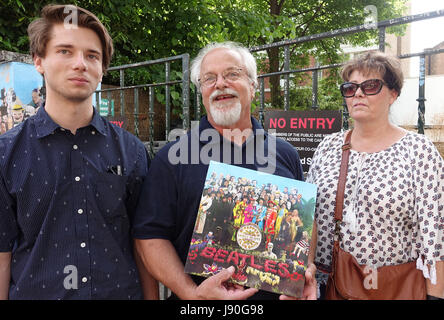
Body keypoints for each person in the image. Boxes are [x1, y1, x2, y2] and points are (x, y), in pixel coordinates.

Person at [133, 41, 316, 300]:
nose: (220, 83)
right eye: (209, 78)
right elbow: (149, 237)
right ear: (202, 92)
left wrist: (303, 274)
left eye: (232, 74)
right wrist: (192, 294)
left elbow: (306, 224)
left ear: (253, 87)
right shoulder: (172, 157)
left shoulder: (285, 153)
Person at [0, 4, 158, 300]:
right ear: (39, 60)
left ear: (102, 69)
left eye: (92, 55)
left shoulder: (132, 152)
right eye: (65, 51)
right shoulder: (6, 155)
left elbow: (144, 244)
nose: (80, 63)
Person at [306, 51, 444, 299]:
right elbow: (308, 217)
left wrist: (435, 296)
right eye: (350, 88)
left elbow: (435, 237)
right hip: (331, 286)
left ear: (393, 94)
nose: (358, 94)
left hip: (395, 287)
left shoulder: (419, 151)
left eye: (370, 86)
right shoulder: (328, 147)